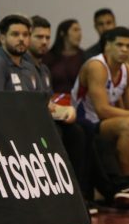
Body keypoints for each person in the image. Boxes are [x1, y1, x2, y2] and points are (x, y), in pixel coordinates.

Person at [72, 26, 129, 208]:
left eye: (128, 46)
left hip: (103, 121)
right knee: (128, 125)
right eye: (120, 45)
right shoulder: (97, 66)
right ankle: (126, 184)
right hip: (84, 121)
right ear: (107, 46)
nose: (125, 50)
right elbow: (102, 110)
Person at [27, 15, 92, 207]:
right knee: (59, 133)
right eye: (39, 37)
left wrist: (64, 110)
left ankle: (79, 194)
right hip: (30, 121)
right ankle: (57, 193)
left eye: (47, 37)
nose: (44, 42)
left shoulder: (44, 69)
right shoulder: (25, 67)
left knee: (81, 131)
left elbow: (49, 101)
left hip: (53, 113)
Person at [44, 19, 84, 95]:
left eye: (79, 30)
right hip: (53, 98)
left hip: (76, 100)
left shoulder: (84, 56)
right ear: (62, 33)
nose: (79, 34)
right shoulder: (49, 56)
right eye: (75, 30)